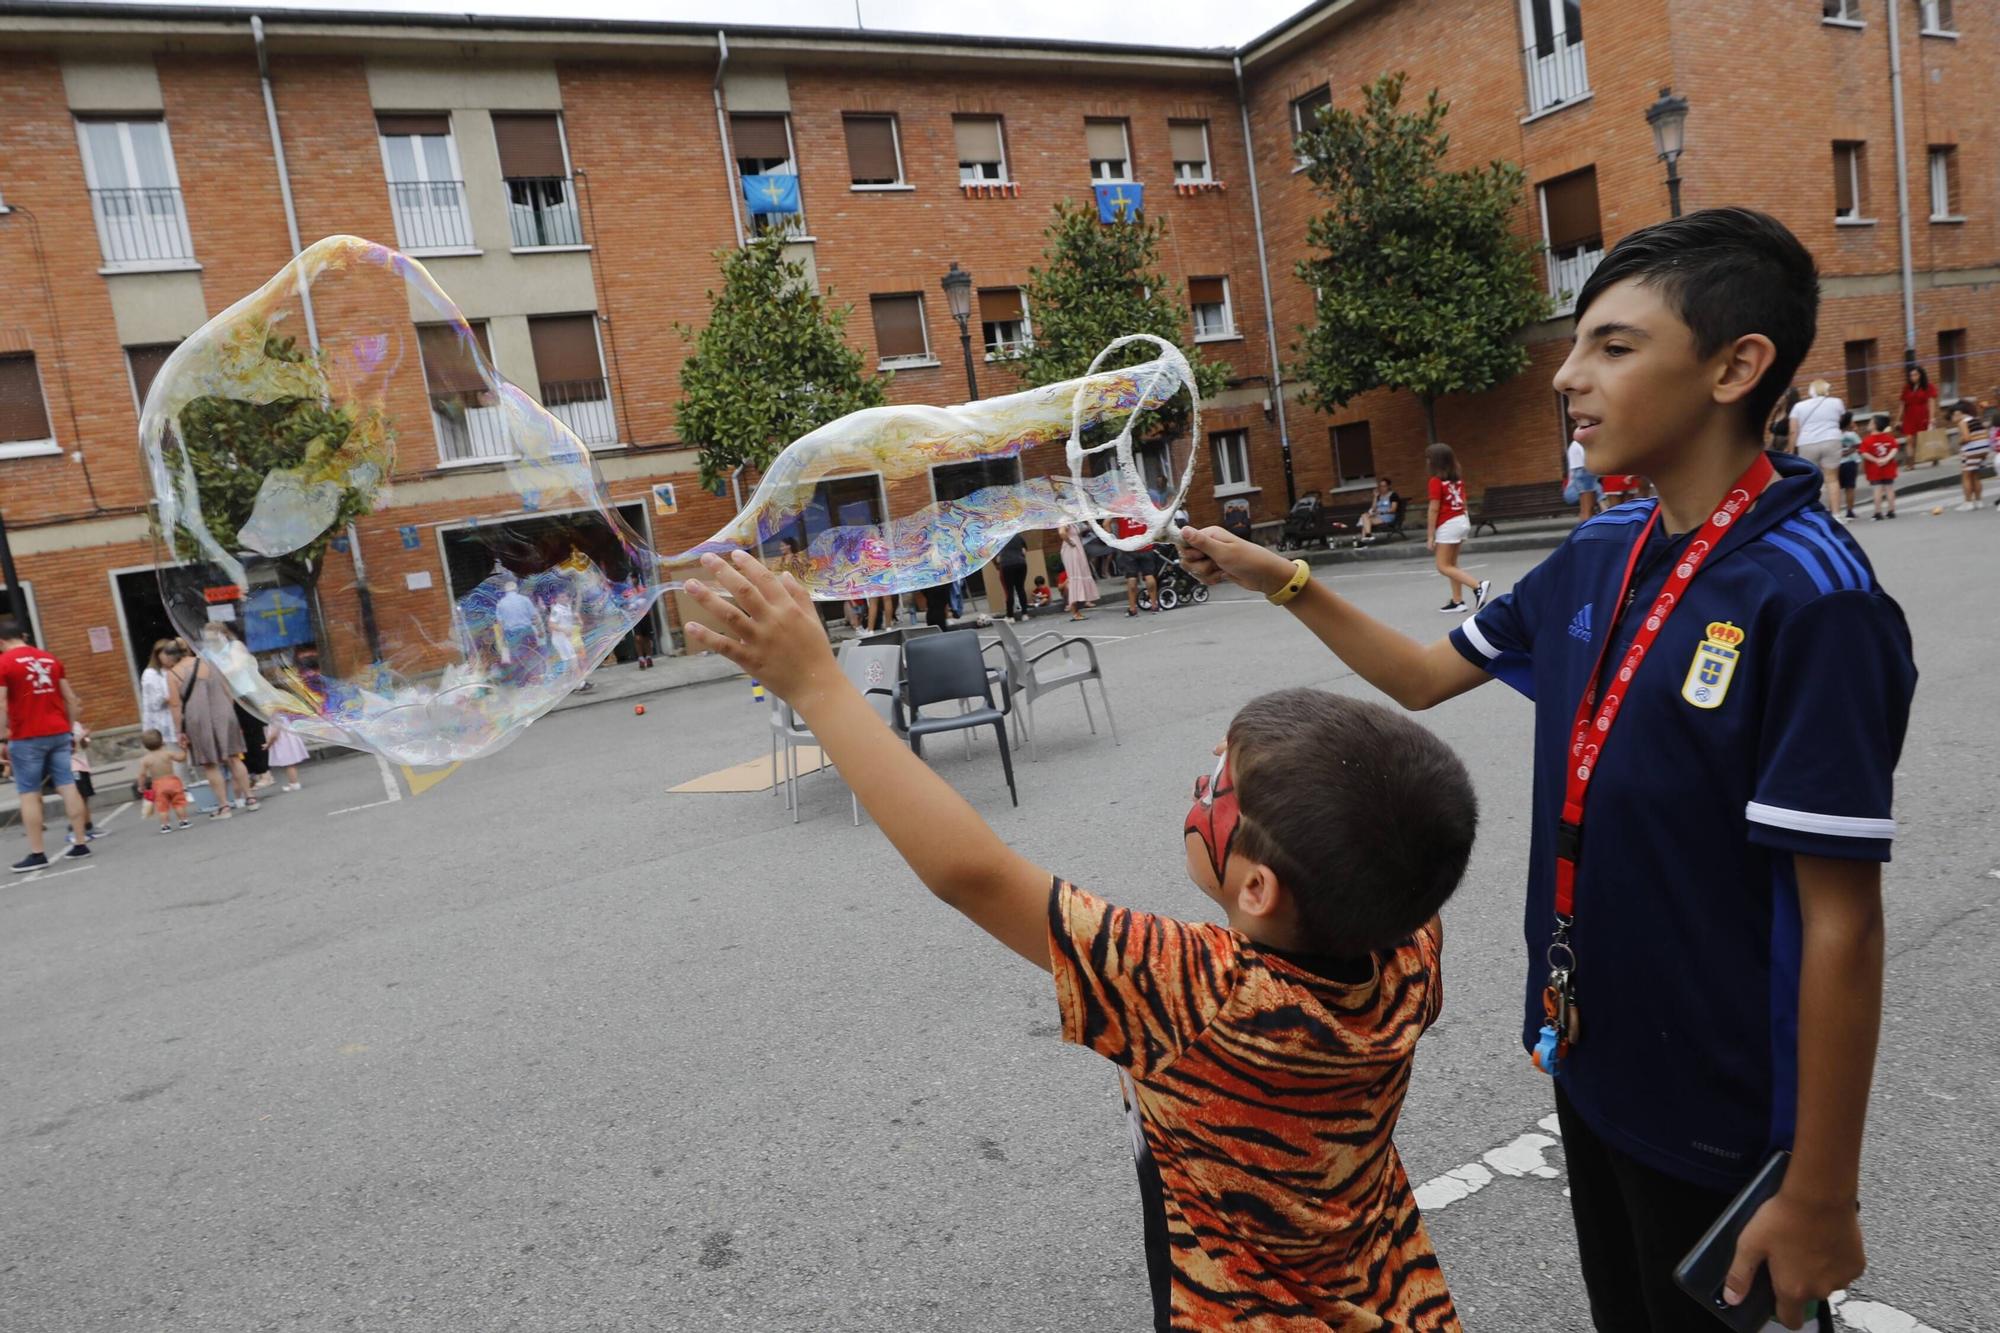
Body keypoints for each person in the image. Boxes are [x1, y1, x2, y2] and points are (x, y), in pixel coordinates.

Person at [1180, 208, 1914, 1333]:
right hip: (1592, 1057)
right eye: (1576, 344)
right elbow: (1425, 675)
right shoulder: (1596, 551)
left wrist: (1818, 1189)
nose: (1568, 376)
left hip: (1723, 1107)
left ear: (1735, 365)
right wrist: (1276, 576)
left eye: (1613, 347)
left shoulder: (1812, 600)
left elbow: (1840, 923)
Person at [680, 550, 1476, 1331]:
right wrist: (1283, 581)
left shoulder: (1204, 993)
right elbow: (1407, 827)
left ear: (1258, 889)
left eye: (1218, 786)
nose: (1202, 779)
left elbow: (973, 871)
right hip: (1389, 1294)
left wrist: (819, 683)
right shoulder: (1407, 952)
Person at [0, 619, 91, 871]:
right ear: (24, 636)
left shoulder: (3, 663)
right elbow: (70, 698)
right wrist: (70, 729)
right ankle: (81, 842)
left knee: (29, 792)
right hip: (58, 731)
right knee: (67, 784)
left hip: (26, 736)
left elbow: (1, 704)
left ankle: (38, 852)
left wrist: (2, 737)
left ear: (2, 642)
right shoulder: (50, 659)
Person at [170, 627, 259, 819]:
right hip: (224, 712)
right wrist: (228, 708)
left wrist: (179, 732)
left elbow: (176, 706)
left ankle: (224, 807)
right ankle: (250, 798)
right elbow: (227, 688)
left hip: (197, 718)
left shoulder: (174, 673)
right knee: (235, 757)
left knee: (210, 764)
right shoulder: (208, 662)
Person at [1424, 443, 1488, 614]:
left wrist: (1430, 535)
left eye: (1429, 458)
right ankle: (1457, 601)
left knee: (1443, 566)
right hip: (1461, 520)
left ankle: (1478, 586)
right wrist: (1465, 521)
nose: (1427, 461)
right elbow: (1464, 503)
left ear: (1435, 462)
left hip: (1448, 523)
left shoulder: (1435, 481)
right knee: (1452, 563)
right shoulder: (1456, 480)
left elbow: (1434, 509)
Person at [1788, 378, 1846, 515]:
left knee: (1809, 480)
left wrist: (1791, 450)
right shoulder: (1837, 402)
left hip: (1807, 443)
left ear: (1810, 391)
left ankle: (1812, 513)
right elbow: (1841, 419)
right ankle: (1836, 514)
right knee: (1832, 479)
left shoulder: (1799, 407)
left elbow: (1793, 430)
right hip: (1831, 440)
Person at [136, 730, 192, 832]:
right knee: (178, 803)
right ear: (162, 741)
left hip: (158, 784)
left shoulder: (145, 760)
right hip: (173, 781)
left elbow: (142, 774)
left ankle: (165, 826)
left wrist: (141, 786)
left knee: (163, 807)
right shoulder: (168, 753)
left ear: (145, 746)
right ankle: (183, 821)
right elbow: (181, 759)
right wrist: (184, 750)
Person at [1113, 515, 1160, 617]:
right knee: (1149, 575)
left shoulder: (1119, 507)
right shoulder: (1141, 505)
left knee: (1131, 577)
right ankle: (1154, 605)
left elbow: (1106, 523)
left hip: (1129, 547)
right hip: (1145, 545)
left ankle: (1133, 608)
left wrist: (1113, 539)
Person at [1949, 400, 1991, 511]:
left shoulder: (1962, 422)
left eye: (1953, 415)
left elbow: (1967, 438)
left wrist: (1959, 441)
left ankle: (1968, 503)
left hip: (1971, 450)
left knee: (1966, 476)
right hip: (1983, 449)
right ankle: (1979, 501)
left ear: (1959, 413)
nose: (1952, 418)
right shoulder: (1976, 420)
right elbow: (1985, 433)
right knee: (1975, 475)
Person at [139, 638, 183, 745]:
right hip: (164, 723)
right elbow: (155, 702)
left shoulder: (179, 669)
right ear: (157, 655)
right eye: (165, 653)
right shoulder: (152, 674)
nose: (169, 657)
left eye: (171, 653)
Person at [1859, 413, 1899, 520]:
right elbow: (1894, 449)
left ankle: (1878, 512)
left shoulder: (1867, 440)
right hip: (1888, 468)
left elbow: (1864, 453)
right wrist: (1887, 459)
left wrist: (1876, 460)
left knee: (1877, 490)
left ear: (1875, 425)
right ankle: (1891, 510)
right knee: (1889, 489)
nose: (1868, 424)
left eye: (1870, 422)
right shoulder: (1889, 438)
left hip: (1874, 469)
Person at [1058, 522, 1100, 622]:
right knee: (1074, 577)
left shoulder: (1073, 523)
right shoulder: (1065, 520)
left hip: (1077, 549)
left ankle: (1076, 610)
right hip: (1071, 550)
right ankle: (1074, 611)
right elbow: (1062, 532)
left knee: (1080, 575)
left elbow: (1084, 529)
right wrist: (1070, 542)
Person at [1897, 365, 1937, 451]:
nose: (1913, 377)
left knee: (1925, 438)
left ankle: (1934, 456)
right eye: (1911, 375)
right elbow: (1902, 403)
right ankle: (1910, 463)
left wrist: (1932, 418)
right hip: (1909, 416)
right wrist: (1898, 419)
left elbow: (1931, 403)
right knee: (1909, 439)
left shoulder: (1928, 386)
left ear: (1921, 375)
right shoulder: (1907, 387)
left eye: (1915, 375)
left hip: (1922, 415)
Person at [265, 715, 309, 791]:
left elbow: (274, 735)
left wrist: (268, 744)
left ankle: (294, 784)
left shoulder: (275, 717)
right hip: (288, 739)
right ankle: (294, 783)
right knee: (291, 764)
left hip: (283, 742)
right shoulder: (281, 714)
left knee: (289, 764)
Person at [1564, 439, 1605, 520]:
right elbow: (1589, 461)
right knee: (1589, 509)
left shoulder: (1574, 444)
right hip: (1585, 472)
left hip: (1579, 472)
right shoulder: (1582, 443)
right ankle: (1603, 505)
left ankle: (1584, 530)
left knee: (1585, 510)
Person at [996, 532, 1031, 623]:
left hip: (1007, 565)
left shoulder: (998, 538)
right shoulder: (1018, 536)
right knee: (1020, 588)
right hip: (1021, 564)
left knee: (1009, 590)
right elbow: (1024, 551)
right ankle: (1025, 614)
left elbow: (998, 559)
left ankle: (1010, 616)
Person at [1357, 476, 1403, 541]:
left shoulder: (1393, 495)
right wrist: (1375, 497)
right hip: (1377, 516)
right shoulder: (1379, 496)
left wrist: (1382, 512)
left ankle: (1363, 541)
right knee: (1364, 516)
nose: (1382, 488)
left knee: (1365, 522)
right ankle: (1368, 535)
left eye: (1384, 486)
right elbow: (1373, 508)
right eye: (1380, 486)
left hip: (1387, 516)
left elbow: (1393, 509)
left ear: (1388, 486)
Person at [1835, 412, 1861, 520]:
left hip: (1836, 463)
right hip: (1850, 462)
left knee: (1836, 487)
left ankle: (1835, 511)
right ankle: (1850, 511)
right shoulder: (1852, 435)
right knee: (1850, 487)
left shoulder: (1834, 434)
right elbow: (1858, 445)